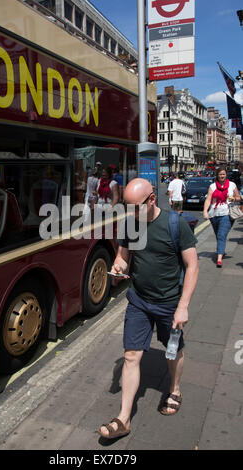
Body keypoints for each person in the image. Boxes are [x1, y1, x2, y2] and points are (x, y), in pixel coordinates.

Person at [98, 178, 198, 440]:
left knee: (172, 350)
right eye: (127, 208)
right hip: (139, 301)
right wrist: (119, 266)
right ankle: (124, 419)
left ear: (152, 200)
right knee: (131, 356)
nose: (131, 214)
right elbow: (123, 255)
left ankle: (174, 389)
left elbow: (192, 267)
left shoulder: (175, 225)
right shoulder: (131, 224)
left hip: (169, 304)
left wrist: (183, 306)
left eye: (135, 207)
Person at [203, 166, 241, 267]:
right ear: (217, 175)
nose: (222, 176)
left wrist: (234, 199)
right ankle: (221, 250)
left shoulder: (232, 185)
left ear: (226, 175)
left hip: (227, 214)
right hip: (214, 214)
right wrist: (205, 211)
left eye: (223, 174)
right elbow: (208, 199)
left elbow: (238, 197)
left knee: (221, 235)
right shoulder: (212, 186)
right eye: (220, 174)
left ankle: (219, 258)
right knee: (218, 234)